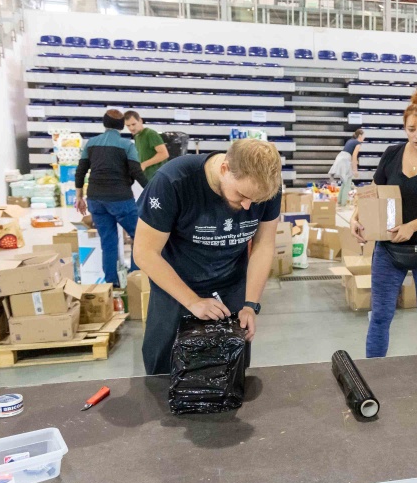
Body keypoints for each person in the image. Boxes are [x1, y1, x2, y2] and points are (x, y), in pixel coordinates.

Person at [133, 139, 282, 375]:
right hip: (176, 289)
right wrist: (192, 301)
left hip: (230, 287)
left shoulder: (265, 188)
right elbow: (144, 252)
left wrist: (250, 304)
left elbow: (263, 245)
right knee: (165, 374)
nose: (247, 206)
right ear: (224, 168)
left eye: (256, 201)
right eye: (241, 195)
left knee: (228, 374)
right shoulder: (173, 181)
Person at [350, 91, 417, 358]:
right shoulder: (391, 154)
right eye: (411, 129)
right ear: (405, 129)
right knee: (380, 315)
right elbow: (374, 192)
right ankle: (373, 372)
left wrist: (412, 226)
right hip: (389, 249)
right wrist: (358, 217)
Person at [74, 109, 147, 287]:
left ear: (104, 123)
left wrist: (79, 197)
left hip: (95, 199)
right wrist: (153, 190)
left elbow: (80, 171)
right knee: (139, 236)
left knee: (108, 241)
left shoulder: (91, 143)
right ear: (122, 125)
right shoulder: (127, 145)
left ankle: (111, 284)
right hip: (120, 199)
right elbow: (136, 172)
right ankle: (134, 280)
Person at [123, 110, 169, 183]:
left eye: (133, 124)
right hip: (148, 178)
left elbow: (164, 154)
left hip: (157, 178)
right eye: (128, 125)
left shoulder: (150, 133)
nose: (131, 128)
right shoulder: (137, 136)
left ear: (140, 121)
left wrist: (144, 164)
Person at [330, 129, 364, 207]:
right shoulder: (358, 143)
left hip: (340, 157)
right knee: (348, 182)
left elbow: (351, 155)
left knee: (344, 182)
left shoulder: (350, 141)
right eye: (363, 136)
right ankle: (344, 203)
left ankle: (340, 201)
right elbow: (354, 156)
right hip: (345, 160)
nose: (364, 138)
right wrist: (355, 170)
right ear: (360, 136)